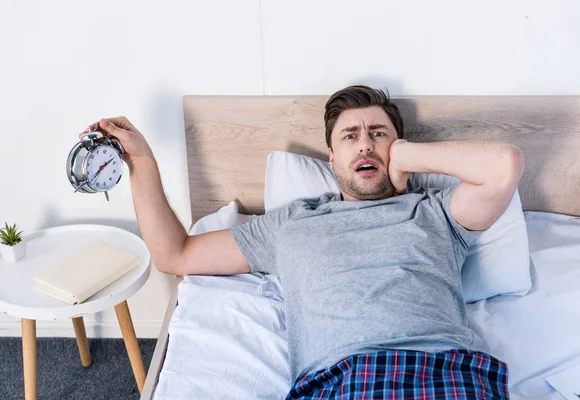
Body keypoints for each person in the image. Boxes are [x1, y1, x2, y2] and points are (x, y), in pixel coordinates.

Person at [83, 85, 524, 399]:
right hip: (342, 381)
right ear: (332, 159)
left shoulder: (436, 212)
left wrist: (406, 156)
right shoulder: (292, 224)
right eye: (350, 137)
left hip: (445, 375)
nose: (365, 146)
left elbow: (504, 165)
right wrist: (141, 160)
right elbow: (173, 254)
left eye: (378, 134)